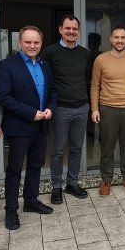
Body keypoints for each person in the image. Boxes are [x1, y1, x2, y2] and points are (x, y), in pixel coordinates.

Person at [0, 26, 57, 230]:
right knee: (14, 170)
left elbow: (53, 91)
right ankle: (11, 210)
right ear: (20, 43)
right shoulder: (7, 65)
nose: (32, 46)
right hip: (19, 126)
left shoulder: (45, 65)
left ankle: (31, 201)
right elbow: (4, 96)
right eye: (28, 42)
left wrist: (50, 108)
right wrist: (30, 113)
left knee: (35, 166)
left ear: (41, 43)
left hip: (41, 126)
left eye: (36, 42)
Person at [41, 15, 90, 204]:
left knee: (77, 149)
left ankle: (72, 183)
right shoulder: (50, 52)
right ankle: (56, 186)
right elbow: (45, 81)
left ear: (78, 31)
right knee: (58, 150)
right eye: (67, 28)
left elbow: (86, 79)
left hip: (81, 107)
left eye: (75, 29)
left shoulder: (85, 54)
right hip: (60, 109)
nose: (71, 32)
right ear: (60, 29)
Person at [90, 25, 125, 196]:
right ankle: (106, 181)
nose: (120, 40)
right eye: (116, 37)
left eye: (123, 37)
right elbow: (95, 86)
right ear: (111, 39)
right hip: (107, 109)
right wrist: (95, 109)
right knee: (107, 147)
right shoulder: (101, 60)